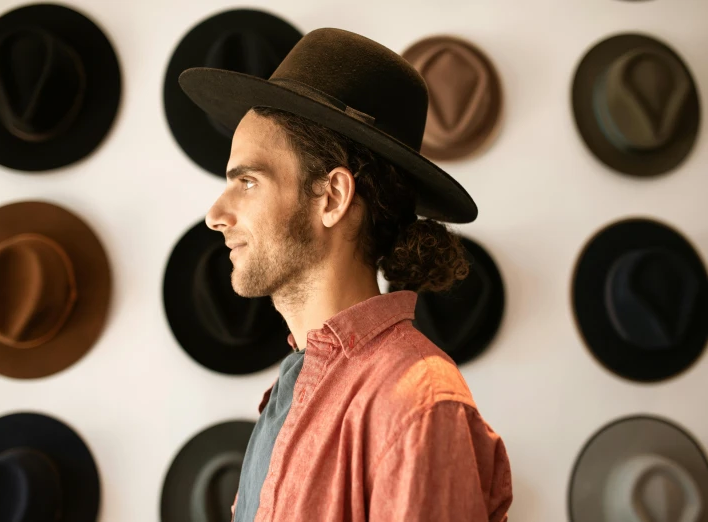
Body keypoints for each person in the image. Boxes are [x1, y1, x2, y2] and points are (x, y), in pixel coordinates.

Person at [180, 27, 513, 522]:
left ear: (332, 197)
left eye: (247, 182)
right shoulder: (296, 385)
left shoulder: (415, 404)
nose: (216, 214)